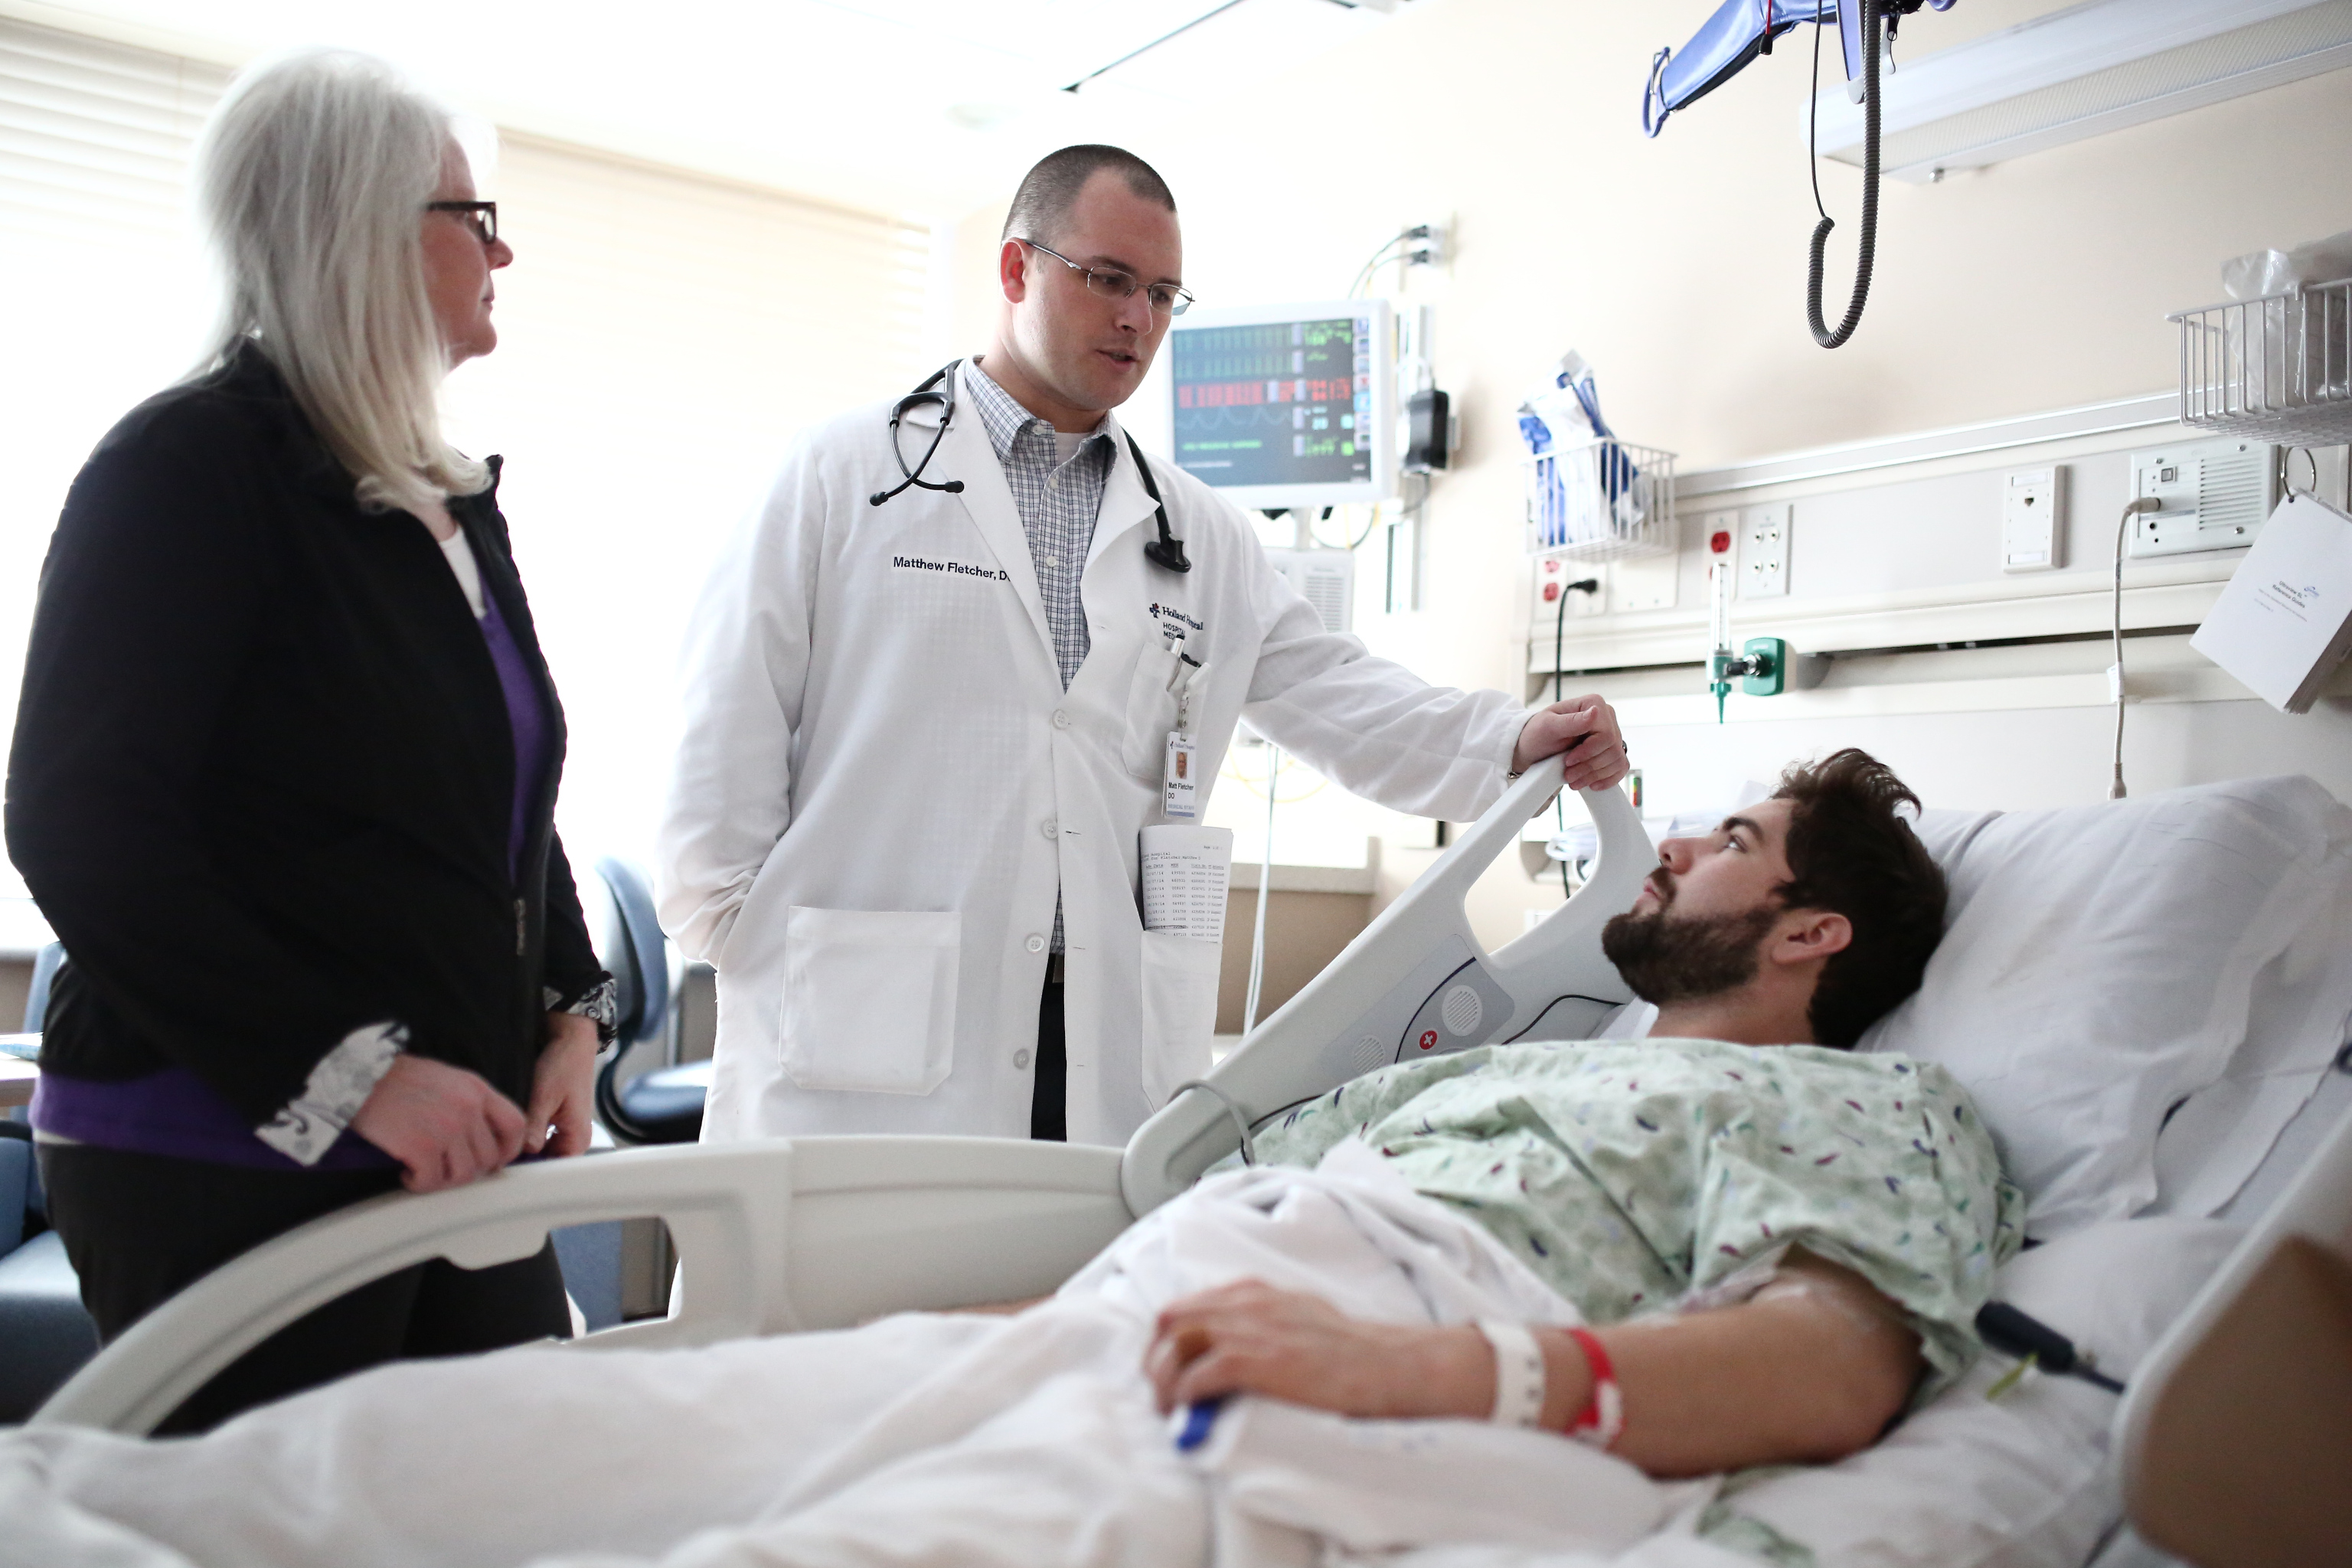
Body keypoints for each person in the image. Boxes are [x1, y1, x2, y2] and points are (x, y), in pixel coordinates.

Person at [2, 750, 2021, 1568]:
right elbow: (1204, 1212)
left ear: (1816, 931)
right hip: (1148, 1308)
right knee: (499, 1445)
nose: (1678, 848)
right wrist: (1002, 1320)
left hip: (1348, 1376)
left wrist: (1397, 1368)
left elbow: (1831, 1367)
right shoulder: (1523, 1059)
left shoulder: (1872, 1114)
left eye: (1735, 844)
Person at [658, 143, 1628, 1151]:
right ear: (1016, 269)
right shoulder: (844, 473)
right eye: (1109, 279)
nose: (1138, 318)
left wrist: (1511, 741)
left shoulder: (1198, 531)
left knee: (1073, 1254)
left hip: (1097, 1040)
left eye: (1163, 294)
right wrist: (752, 938)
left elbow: (1337, 692)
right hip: (860, 1035)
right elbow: (726, 723)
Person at [2, 51, 612, 1432]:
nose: (501, 250)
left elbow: (504, 805)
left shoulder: (443, 501)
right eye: (471, 215)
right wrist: (353, 1079)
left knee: (500, 1496)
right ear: (362, 228)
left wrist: (569, 1016)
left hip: (451, 1152)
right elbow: (80, 824)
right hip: (218, 1149)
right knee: (280, 1523)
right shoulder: (186, 467)